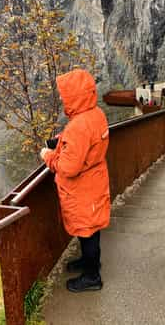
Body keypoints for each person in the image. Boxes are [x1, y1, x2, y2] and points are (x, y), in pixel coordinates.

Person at [40, 69, 110, 293]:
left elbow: (68, 168)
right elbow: (83, 140)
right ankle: (88, 263)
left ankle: (92, 277)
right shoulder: (95, 113)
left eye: (65, 95)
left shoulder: (79, 126)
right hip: (93, 183)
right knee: (89, 228)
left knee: (87, 231)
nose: (62, 99)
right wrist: (61, 142)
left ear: (75, 97)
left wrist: (48, 156)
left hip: (82, 189)